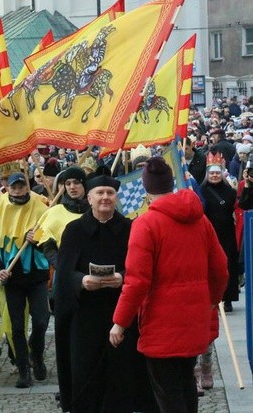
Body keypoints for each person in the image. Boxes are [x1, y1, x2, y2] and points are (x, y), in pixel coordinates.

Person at [110, 157, 229, 413]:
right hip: (194, 318)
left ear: (146, 189)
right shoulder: (201, 220)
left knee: (168, 393)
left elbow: (136, 280)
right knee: (186, 382)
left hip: (161, 323)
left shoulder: (145, 224)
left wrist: (120, 321)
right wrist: (211, 300)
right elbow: (220, 268)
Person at [55, 174, 153, 413]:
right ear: (89, 198)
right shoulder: (74, 230)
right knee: (85, 373)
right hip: (84, 315)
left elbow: (144, 268)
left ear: (116, 197)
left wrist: (122, 276)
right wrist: (81, 281)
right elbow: (64, 273)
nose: (105, 198)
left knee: (122, 374)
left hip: (121, 314)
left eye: (110, 193)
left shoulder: (132, 228)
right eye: (100, 193)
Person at [0, 172, 48, 388]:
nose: (18, 190)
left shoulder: (41, 208)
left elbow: (51, 240)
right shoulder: (0, 209)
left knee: (41, 321)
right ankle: (23, 369)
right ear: (8, 189)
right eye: (14, 187)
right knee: (17, 326)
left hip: (36, 275)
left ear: (27, 187)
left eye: (21, 186)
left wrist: (35, 240)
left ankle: (36, 354)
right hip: (12, 277)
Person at [201, 153, 240, 313]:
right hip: (209, 235)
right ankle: (213, 298)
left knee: (228, 266)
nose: (215, 175)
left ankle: (228, 298)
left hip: (227, 235)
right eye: (212, 173)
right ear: (207, 174)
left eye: (217, 172)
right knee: (211, 267)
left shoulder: (230, 191)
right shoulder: (201, 190)